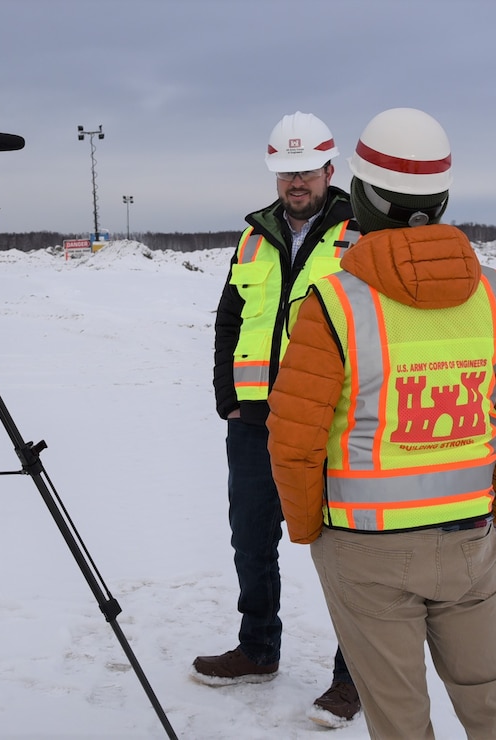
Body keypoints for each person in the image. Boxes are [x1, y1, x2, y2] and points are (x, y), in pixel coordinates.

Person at [266, 107, 496, 739]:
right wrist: (495, 517)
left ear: (360, 196)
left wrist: (312, 530)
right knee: (495, 709)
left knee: (399, 720)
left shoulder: (334, 303)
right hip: (471, 544)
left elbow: (293, 439)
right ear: (441, 197)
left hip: (367, 549)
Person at [194, 111, 362, 726]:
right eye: (286, 171)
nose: (297, 182)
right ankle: (258, 647)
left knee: (348, 547)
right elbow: (229, 320)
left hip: (332, 417)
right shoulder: (253, 237)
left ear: (329, 169)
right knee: (251, 538)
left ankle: (355, 676)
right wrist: (228, 397)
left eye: (307, 171)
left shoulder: (359, 232)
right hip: (256, 419)